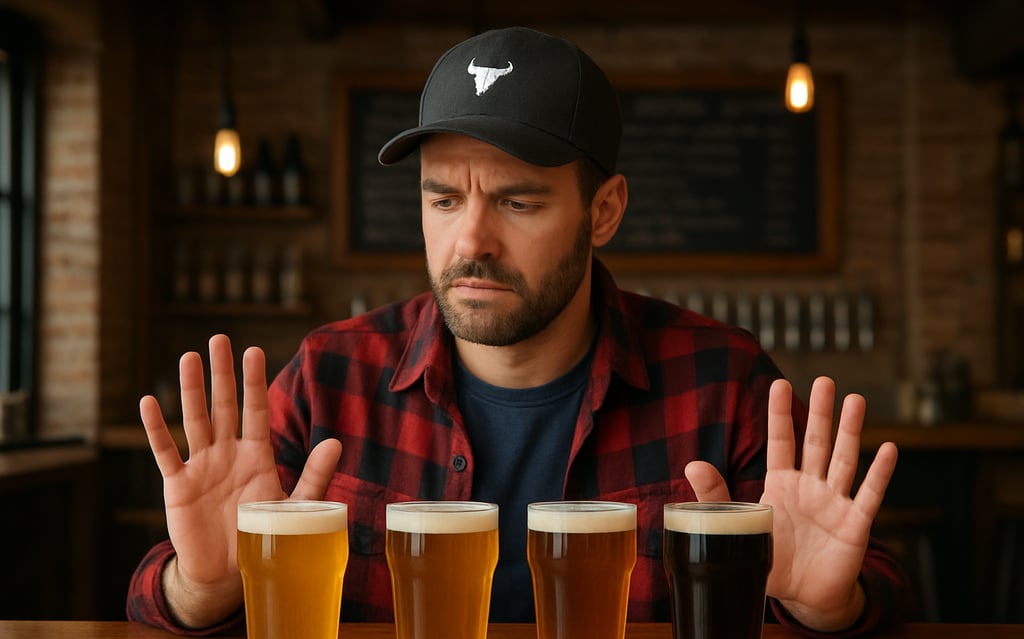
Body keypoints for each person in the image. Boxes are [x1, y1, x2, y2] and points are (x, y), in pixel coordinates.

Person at [128, 26, 909, 636]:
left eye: (518, 201)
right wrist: (203, 587)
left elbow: (870, 587)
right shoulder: (331, 375)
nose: (471, 241)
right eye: (442, 199)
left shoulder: (723, 381)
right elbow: (162, 601)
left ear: (603, 211)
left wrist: (821, 607)